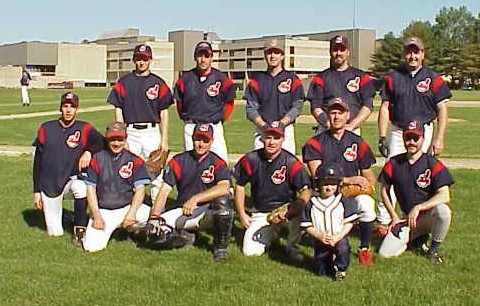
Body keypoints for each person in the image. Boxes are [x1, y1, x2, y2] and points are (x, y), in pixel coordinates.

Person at [376, 37, 452, 229]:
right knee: (391, 173)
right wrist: (382, 136)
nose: (412, 56)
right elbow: (385, 107)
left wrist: (439, 138)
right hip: (399, 130)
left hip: (422, 132)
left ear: (423, 54)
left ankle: (419, 221)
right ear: (404, 54)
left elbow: (442, 109)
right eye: (409, 52)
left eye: (416, 52)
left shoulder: (433, 78)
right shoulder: (393, 77)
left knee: (421, 176)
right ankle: (384, 221)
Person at [302, 98, 377, 266]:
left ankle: (364, 248)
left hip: (350, 193)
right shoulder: (315, 142)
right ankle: (323, 245)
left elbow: (369, 176)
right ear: (327, 115)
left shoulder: (358, 142)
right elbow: (318, 176)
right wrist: (350, 180)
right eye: (333, 112)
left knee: (366, 204)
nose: (336, 117)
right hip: (324, 194)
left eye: (340, 112)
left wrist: (366, 185)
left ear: (348, 115)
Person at [145, 124, 234, 261]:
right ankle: (185, 237)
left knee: (223, 203)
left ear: (211, 141)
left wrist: (195, 199)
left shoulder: (217, 162)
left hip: (208, 212)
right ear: (192, 139)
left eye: (205, 140)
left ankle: (220, 247)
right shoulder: (179, 161)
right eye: (198, 139)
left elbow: (224, 188)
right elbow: (164, 191)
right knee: (155, 233)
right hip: (184, 211)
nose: (201, 144)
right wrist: (155, 216)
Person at [32, 92, 104, 244]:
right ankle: (67, 217)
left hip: (70, 181)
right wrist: (36, 191)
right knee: (55, 233)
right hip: (49, 184)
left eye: (72, 106)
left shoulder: (84, 128)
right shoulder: (46, 128)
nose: (69, 110)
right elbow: (37, 161)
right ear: (60, 108)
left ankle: (79, 230)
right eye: (65, 106)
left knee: (81, 187)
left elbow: (102, 142)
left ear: (77, 109)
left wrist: (88, 152)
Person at [377, 120, 453, 264]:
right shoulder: (394, 163)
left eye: (416, 138)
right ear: (403, 138)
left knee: (443, 211)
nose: (411, 142)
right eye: (408, 138)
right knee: (384, 254)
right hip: (407, 219)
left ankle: (433, 250)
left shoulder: (432, 163)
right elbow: (384, 190)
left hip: (428, 216)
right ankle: (416, 239)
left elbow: (445, 195)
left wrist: (419, 207)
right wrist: (393, 217)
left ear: (423, 139)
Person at [233, 121, 311, 259]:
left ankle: (292, 246)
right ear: (263, 137)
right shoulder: (251, 159)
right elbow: (239, 185)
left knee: (304, 209)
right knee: (250, 252)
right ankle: (272, 236)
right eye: (269, 137)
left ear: (283, 139)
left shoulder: (291, 162)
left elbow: (306, 190)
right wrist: (242, 214)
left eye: (276, 138)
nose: (272, 142)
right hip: (261, 212)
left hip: (287, 211)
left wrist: (294, 207)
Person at [107, 44, 173, 201]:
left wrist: (164, 140)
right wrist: (123, 137)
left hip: (151, 131)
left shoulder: (158, 83)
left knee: (157, 173)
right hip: (131, 132)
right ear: (133, 60)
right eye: (138, 59)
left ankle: (156, 214)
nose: (141, 62)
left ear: (150, 60)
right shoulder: (124, 82)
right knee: (129, 172)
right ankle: (131, 211)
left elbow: (164, 113)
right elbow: (118, 110)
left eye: (144, 59)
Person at [82, 122, 152, 252]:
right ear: (107, 139)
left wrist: (132, 213)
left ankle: (130, 231)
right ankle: (115, 230)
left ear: (125, 139)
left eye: (120, 139)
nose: (116, 143)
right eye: (112, 139)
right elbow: (90, 189)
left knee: (151, 217)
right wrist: (97, 216)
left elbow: (140, 190)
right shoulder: (97, 159)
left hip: (126, 207)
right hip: (104, 210)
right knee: (91, 248)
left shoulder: (135, 160)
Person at [173, 41, 235, 163]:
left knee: (220, 163)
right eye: (200, 55)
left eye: (206, 56)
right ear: (195, 57)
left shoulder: (222, 79)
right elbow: (179, 104)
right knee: (191, 165)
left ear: (211, 57)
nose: (203, 59)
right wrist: (187, 120)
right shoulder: (185, 79)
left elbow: (229, 103)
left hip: (214, 126)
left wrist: (220, 119)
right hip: (192, 126)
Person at [244, 39, 305, 155]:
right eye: (269, 53)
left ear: (282, 56)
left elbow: (297, 107)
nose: (272, 56)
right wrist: (264, 126)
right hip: (262, 130)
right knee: (259, 167)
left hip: (285, 129)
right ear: (265, 56)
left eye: (276, 52)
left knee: (286, 167)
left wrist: (282, 124)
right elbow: (251, 109)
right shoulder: (256, 80)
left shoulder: (292, 79)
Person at [301, 163, 360, 281]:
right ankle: (326, 265)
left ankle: (340, 269)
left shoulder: (342, 201)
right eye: (325, 183)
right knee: (320, 271)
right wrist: (319, 236)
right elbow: (307, 225)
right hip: (321, 238)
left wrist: (338, 236)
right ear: (318, 183)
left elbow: (349, 222)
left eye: (333, 184)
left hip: (338, 236)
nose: (329, 187)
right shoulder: (311, 203)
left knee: (343, 250)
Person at [307, 35, 376, 135]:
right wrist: (328, 123)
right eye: (335, 49)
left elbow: (368, 105)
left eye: (342, 49)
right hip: (326, 130)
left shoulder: (361, 77)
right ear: (330, 52)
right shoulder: (320, 78)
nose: (338, 53)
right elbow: (315, 106)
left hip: (352, 129)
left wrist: (352, 125)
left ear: (348, 52)